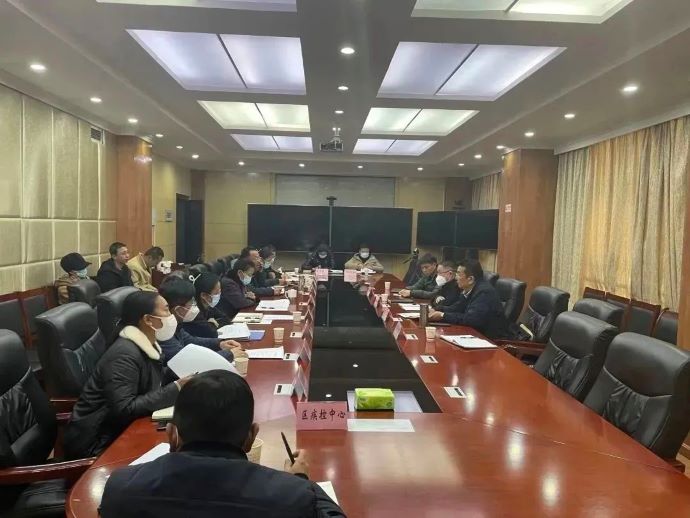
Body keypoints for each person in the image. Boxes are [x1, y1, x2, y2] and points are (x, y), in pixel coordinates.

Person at [99, 370, 346, 518]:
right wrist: (303, 481)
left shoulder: (120, 487)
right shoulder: (292, 496)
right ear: (251, 437)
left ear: (172, 433)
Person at [64, 291, 188, 459]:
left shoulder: (146, 344)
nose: (170, 315)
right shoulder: (124, 355)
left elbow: (151, 379)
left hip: (123, 428)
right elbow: (125, 408)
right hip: (100, 442)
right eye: (166, 310)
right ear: (147, 319)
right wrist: (176, 387)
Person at [158, 277, 246, 363]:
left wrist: (220, 344)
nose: (194, 305)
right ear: (179, 310)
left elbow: (191, 341)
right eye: (191, 303)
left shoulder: (177, 325)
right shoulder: (163, 331)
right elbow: (185, 360)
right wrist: (228, 354)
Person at [428, 259, 511, 340]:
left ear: (470, 279)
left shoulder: (484, 293)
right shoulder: (470, 289)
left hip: (490, 340)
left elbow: (471, 319)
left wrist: (442, 315)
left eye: (458, 274)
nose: (456, 278)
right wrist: (436, 309)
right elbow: (457, 307)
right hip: (474, 334)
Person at [185, 272, 233, 337]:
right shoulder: (195, 312)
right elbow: (210, 333)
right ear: (204, 295)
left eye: (220, 291)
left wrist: (212, 324)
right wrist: (211, 324)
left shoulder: (208, 306)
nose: (219, 295)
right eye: (216, 293)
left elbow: (226, 319)